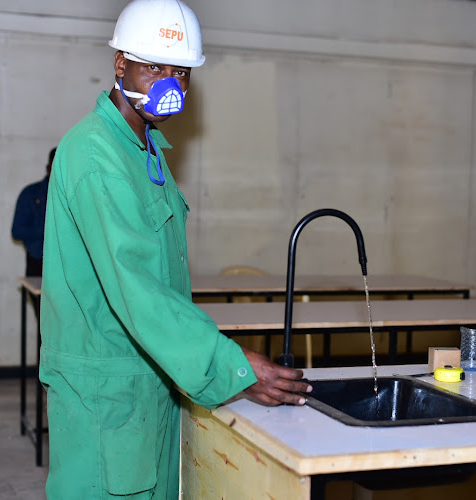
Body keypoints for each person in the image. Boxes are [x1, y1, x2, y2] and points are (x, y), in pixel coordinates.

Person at [39, 1, 311, 498]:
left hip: (153, 373)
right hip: (110, 388)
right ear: (120, 63)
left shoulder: (146, 151)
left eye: (180, 72)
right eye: (154, 68)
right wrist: (228, 366)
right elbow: (137, 286)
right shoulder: (96, 155)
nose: (169, 84)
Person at [11, 147, 55, 277]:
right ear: (48, 168)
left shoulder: (75, 196)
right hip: (38, 263)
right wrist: (49, 229)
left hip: (69, 264)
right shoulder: (31, 194)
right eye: (55, 168)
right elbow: (17, 231)